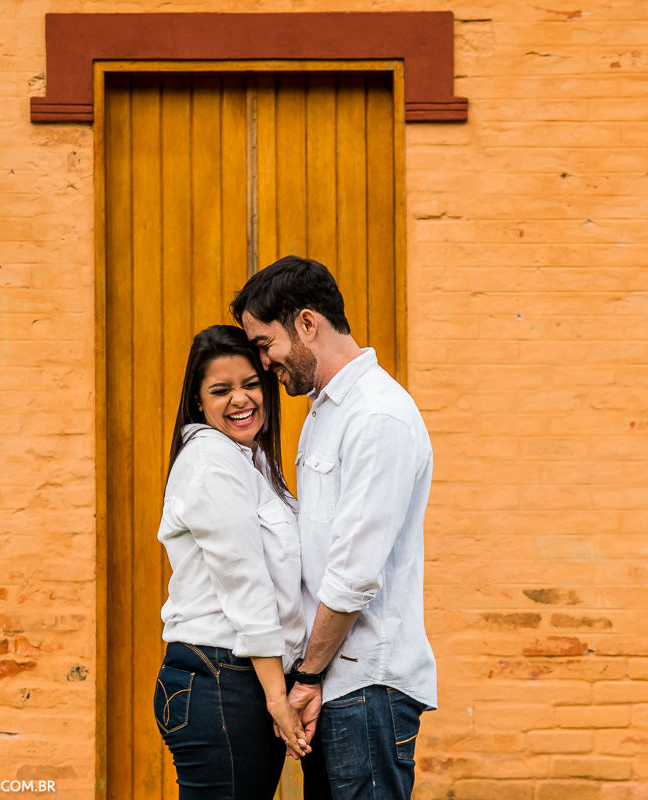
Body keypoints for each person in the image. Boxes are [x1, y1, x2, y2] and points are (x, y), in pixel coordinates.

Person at [232, 256, 437, 800]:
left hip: (366, 687)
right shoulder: (327, 412)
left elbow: (353, 573)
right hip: (338, 688)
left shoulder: (377, 416)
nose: (264, 361)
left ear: (306, 323)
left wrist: (307, 675)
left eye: (263, 343)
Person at [153, 324, 310, 800]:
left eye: (250, 384)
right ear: (199, 402)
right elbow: (246, 586)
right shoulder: (211, 461)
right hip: (221, 677)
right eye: (221, 390)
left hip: (235, 679)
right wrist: (276, 697)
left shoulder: (250, 460)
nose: (240, 400)